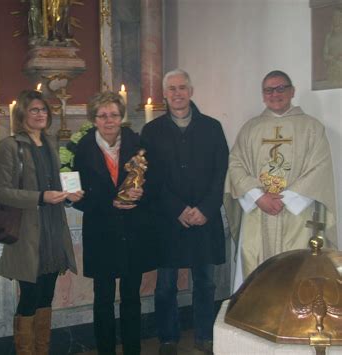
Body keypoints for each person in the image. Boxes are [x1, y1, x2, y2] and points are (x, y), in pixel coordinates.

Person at [141, 69, 229, 355]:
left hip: (205, 218)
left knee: (205, 282)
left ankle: (204, 335)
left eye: (182, 88)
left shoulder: (212, 127)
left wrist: (205, 208)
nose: (177, 93)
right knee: (165, 285)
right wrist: (178, 208)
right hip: (169, 220)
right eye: (171, 89)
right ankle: (168, 338)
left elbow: (220, 172)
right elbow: (149, 178)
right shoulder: (151, 132)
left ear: (191, 91)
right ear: (165, 94)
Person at [224, 70, 337, 290]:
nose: (275, 94)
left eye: (280, 88)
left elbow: (319, 168)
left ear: (292, 91)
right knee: (255, 273)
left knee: (298, 270)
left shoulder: (312, 127)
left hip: (298, 216)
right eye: (268, 90)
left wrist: (286, 199)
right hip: (258, 213)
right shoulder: (250, 129)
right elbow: (235, 166)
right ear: (263, 95)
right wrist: (258, 197)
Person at [0, 90, 82, 355]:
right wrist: (41, 197)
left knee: (46, 297)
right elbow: (0, 191)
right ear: (21, 114)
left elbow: (56, 185)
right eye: (34, 110)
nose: (41, 114)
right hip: (28, 234)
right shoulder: (10, 146)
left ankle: (41, 350)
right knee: (30, 297)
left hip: (53, 230)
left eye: (44, 110)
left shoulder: (51, 142)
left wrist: (70, 196)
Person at [73, 91, 157, 355]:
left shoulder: (137, 144)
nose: (109, 120)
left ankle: (133, 350)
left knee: (132, 298)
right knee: (103, 299)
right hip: (101, 232)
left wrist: (142, 194)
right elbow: (78, 197)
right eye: (103, 115)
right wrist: (110, 202)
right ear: (94, 119)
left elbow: (154, 183)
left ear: (121, 117)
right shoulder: (81, 149)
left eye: (114, 115)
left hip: (133, 231)